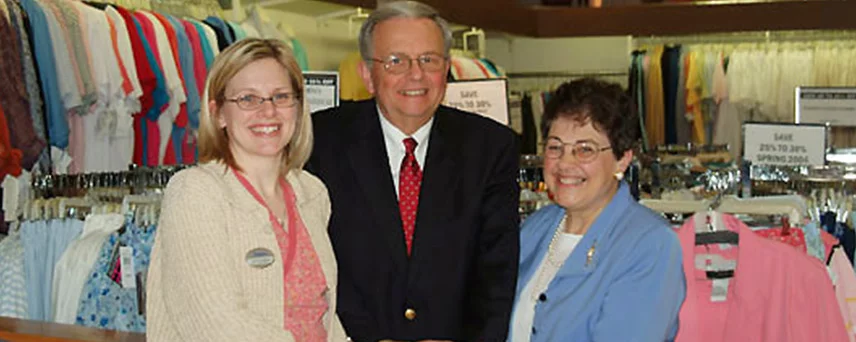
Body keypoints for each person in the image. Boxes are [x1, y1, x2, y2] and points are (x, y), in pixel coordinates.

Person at [307, 1, 520, 341]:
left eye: (428, 60)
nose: (416, 74)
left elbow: (496, 273)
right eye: (396, 61)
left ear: (446, 68)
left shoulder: (491, 148)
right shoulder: (319, 143)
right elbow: (315, 261)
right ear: (367, 75)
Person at [146, 38, 346, 341]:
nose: (268, 112)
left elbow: (322, 313)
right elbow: (214, 326)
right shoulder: (196, 193)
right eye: (248, 99)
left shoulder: (311, 193)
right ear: (219, 113)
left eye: (280, 97)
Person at [508, 78, 685, 342]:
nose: (565, 163)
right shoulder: (536, 227)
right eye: (556, 147)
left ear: (622, 159)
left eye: (585, 150)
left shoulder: (649, 244)